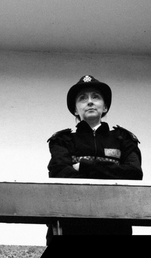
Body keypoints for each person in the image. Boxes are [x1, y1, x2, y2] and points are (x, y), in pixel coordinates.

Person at [46, 75, 143, 243]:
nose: (90, 102)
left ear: (105, 107)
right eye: (83, 98)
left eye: (95, 97)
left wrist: (84, 166)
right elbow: (59, 174)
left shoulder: (123, 139)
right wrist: (111, 172)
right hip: (72, 225)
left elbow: (134, 173)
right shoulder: (62, 140)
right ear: (75, 110)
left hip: (114, 225)